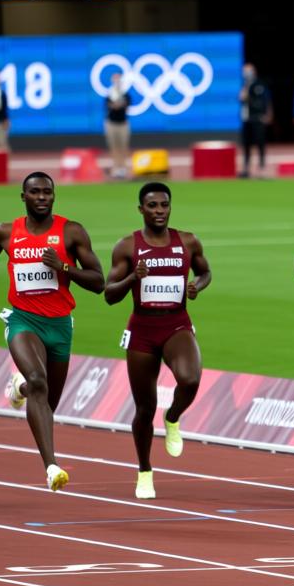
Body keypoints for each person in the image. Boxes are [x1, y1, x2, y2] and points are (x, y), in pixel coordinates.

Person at [0, 172, 104, 491]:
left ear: (54, 196)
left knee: (47, 402)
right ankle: (51, 467)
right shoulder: (5, 232)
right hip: (23, 321)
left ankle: (20, 388)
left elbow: (99, 282)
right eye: (35, 192)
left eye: (48, 192)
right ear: (24, 197)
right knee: (39, 380)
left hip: (60, 325)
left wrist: (64, 268)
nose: (42, 197)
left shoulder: (71, 232)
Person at [104, 182, 212, 499]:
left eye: (164, 205)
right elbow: (109, 295)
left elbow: (205, 273)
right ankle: (145, 471)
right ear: (141, 210)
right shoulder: (127, 247)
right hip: (142, 330)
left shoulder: (187, 242)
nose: (159, 211)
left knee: (190, 380)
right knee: (144, 407)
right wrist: (132, 278)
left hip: (176, 324)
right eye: (152, 206)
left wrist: (197, 285)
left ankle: (174, 416)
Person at [240, 62, 273, 178]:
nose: (246, 74)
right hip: (246, 119)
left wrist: (267, 114)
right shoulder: (244, 85)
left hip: (257, 118)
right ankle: (246, 168)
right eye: (244, 71)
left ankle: (262, 168)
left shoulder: (259, 85)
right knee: (246, 144)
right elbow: (242, 100)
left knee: (260, 143)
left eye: (248, 71)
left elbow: (263, 102)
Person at [104, 72, 132, 179]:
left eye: (118, 79)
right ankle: (116, 168)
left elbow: (125, 105)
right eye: (115, 80)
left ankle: (123, 168)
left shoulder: (125, 94)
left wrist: (118, 104)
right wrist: (117, 105)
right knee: (114, 147)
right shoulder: (109, 94)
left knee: (123, 147)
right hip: (111, 124)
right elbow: (110, 106)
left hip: (123, 124)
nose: (117, 82)